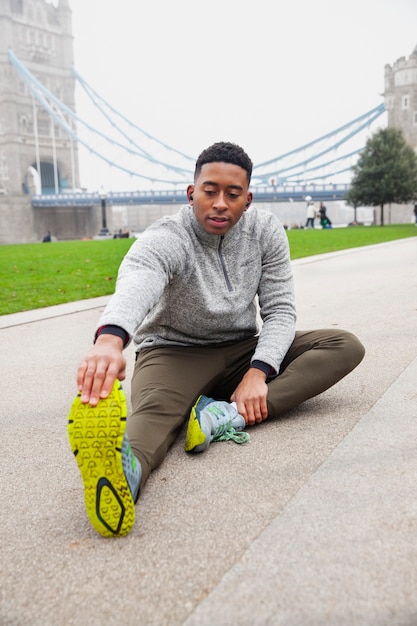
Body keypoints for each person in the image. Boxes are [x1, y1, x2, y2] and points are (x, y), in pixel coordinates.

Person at [68, 142, 365, 537]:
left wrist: (259, 371)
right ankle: (124, 475)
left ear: (248, 199)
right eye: (210, 191)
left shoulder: (265, 231)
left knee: (344, 345)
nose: (220, 203)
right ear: (192, 193)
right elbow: (141, 274)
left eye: (233, 194)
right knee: (154, 415)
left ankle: (225, 415)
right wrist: (110, 339)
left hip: (242, 350)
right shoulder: (169, 235)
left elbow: (280, 311)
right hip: (174, 352)